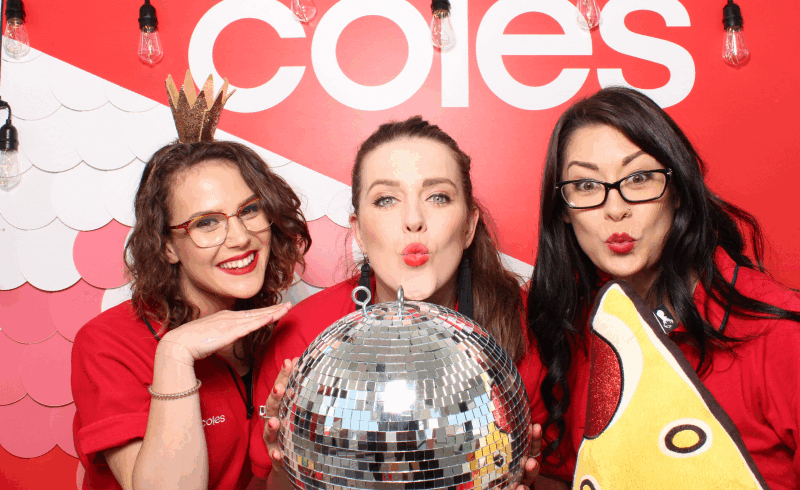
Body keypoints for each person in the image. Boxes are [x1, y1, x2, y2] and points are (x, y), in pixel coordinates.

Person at [527, 86, 800, 487]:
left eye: (638, 178)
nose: (615, 208)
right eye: (586, 186)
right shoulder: (572, 333)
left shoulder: (777, 333)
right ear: (563, 211)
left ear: (677, 190)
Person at [250, 116, 544, 488]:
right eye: (386, 199)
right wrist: (285, 466)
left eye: (438, 196)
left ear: (469, 226)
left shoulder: (522, 325)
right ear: (358, 230)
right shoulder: (306, 333)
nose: (413, 220)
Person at [71, 140, 311, 490]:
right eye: (207, 223)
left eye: (250, 210)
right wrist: (176, 353)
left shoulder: (282, 333)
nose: (241, 237)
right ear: (167, 246)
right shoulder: (107, 344)